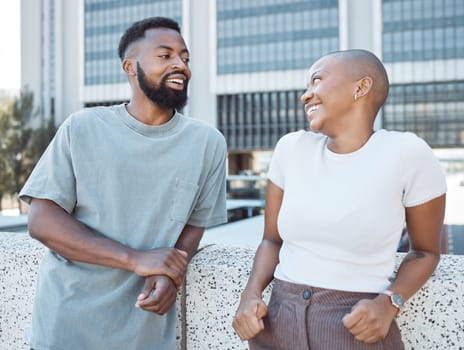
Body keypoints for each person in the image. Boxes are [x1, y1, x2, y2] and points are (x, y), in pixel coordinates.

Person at [20, 16, 227, 350]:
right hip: (64, 330)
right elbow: (42, 221)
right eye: (165, 55)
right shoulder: (83, 127)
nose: (180, 65)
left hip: (146, 336)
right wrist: (135, 258)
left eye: (185, 58)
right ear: (131, 67)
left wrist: (171, 272)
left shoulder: (208, 143)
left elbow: (194, 224)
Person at [232, 49, 446, 349]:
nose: (306, 96)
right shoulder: (291, 149)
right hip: (276, 323)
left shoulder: (407, 153)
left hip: (357, 328)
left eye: (317, 80)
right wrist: (250, 295)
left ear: (361, 87)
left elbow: (426, 252)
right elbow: (271, 240)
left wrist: (389, 303)